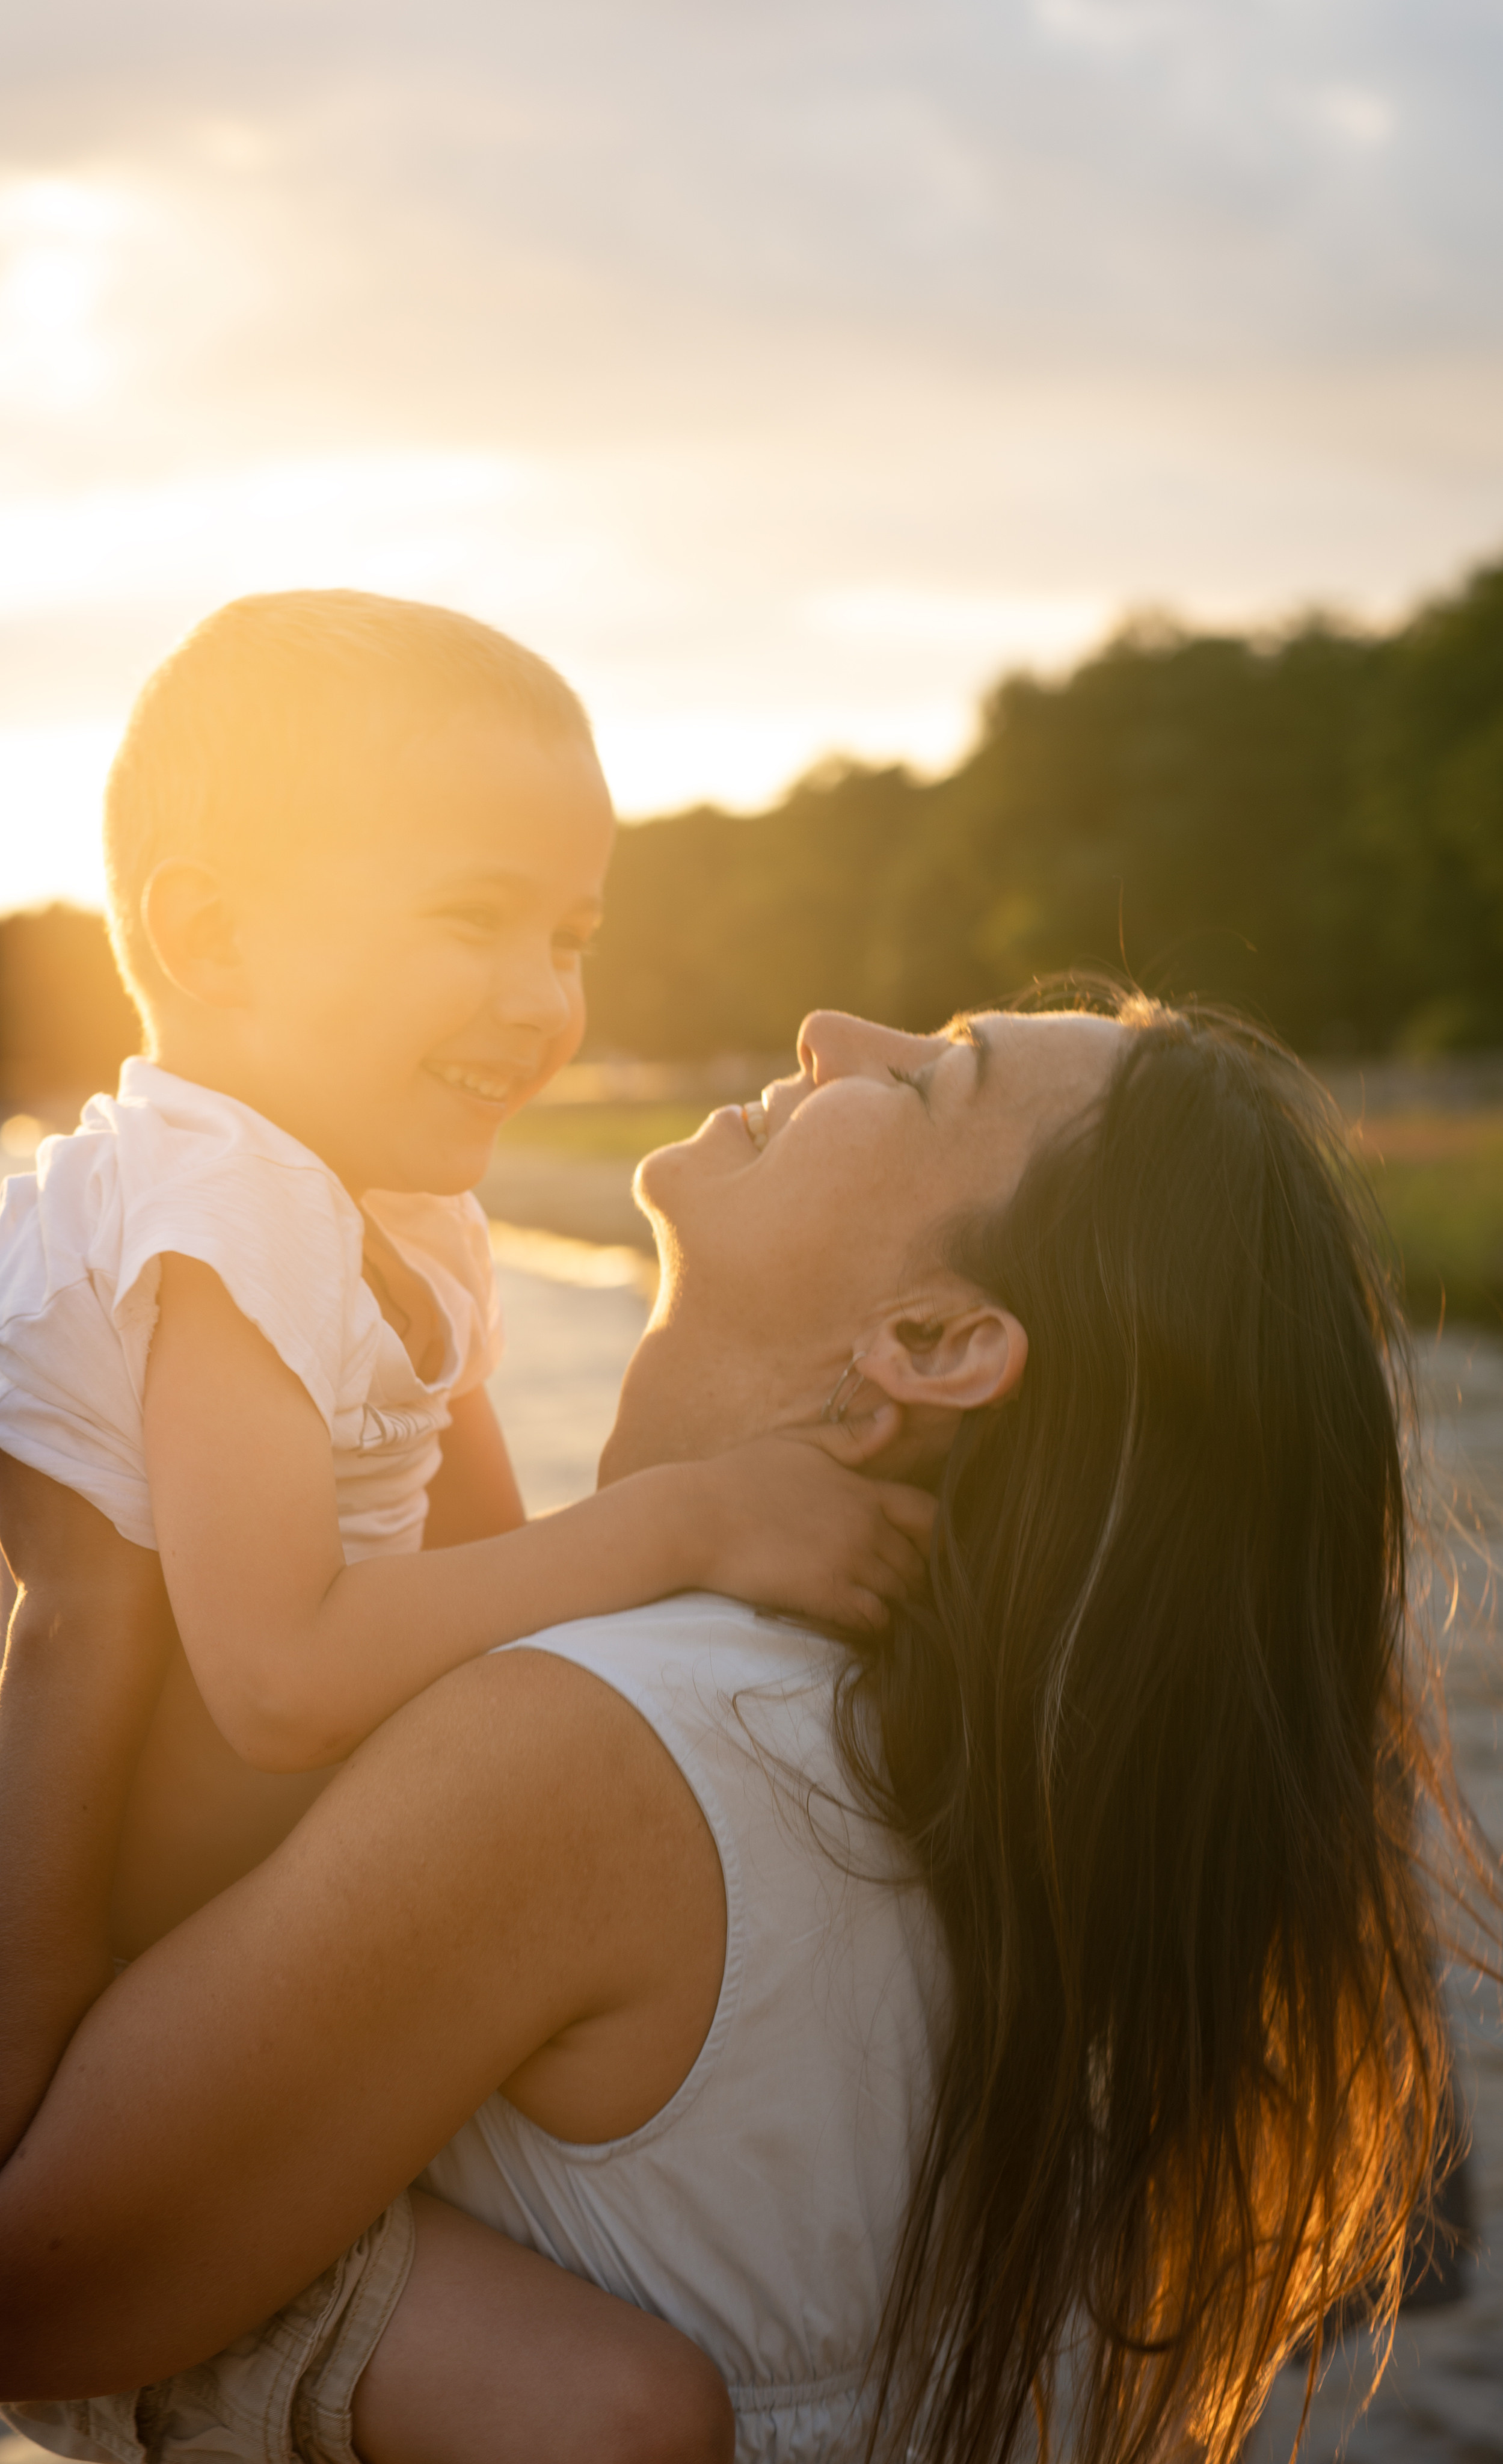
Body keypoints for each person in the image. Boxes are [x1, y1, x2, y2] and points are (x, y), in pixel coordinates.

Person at [0, 993, 1476, 2464]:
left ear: (935, 1337)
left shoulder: (581, 1757)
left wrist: (82, 1608)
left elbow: (33, 2291)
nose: (833, 1029)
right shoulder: (932, 1730)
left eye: (923, 1082)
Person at [0, 591, 933, 2452]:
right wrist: (691, 1524)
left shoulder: (402, 1208)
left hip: (241, 1959)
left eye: (571, 934)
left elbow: (504, 1597)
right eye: (471, 922)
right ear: (208, 938)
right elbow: (274, 1682)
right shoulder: (229, 1210)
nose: (544, 997)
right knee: (617, 2417)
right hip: (69, 1984)